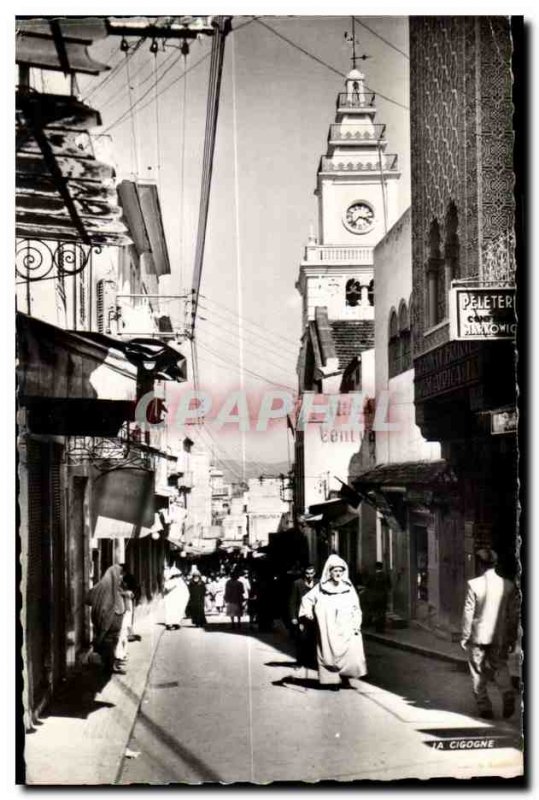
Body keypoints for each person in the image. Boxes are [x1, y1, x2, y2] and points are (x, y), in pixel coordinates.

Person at [460, 548, 519, 719]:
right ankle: (507, 692)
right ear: (495, 564)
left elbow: (468, 613)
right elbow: (513, 616)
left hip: (478, 636)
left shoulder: (474, 584)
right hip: (499, 636)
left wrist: (465, 636)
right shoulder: (508, 586)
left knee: (477, 671)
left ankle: (484, 706)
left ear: (480, 564)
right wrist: (512, 638)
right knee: (500, 665)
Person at [299, 554, 366, 690]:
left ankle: (345, 677)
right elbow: (307, 599)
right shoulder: (321, 587)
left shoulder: (348, 587)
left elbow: (356, 607)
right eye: (335, 571)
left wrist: (356, 624)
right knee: (328, 653)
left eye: (340, 571)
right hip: (327, 627)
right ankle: (332, 681)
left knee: (350, 651)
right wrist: (308, 612)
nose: (338, 573)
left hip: (346, 625)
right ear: (329, 572)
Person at [85, 564, 126, 675]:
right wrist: (102, 633)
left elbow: (88, 598)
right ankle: (107, 669)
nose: (121, 577)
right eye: (120, 574)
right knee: (107, 651)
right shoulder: (107, 590)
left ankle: (109, 666)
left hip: (111, 631)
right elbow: (106, 614)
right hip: (107, 631)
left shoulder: (108, 587)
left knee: (109, 650)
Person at [289, 565, 317, 668]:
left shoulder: (318, 583)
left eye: (311, 573)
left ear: (314, 573)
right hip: (301, 615)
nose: (309, 576)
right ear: (304, 573)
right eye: (307, 573)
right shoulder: (297, 583)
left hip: (314, 616)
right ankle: (300, 661)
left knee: (314, 638)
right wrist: (293, 617)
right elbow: (292, 601)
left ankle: (312, 661)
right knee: (301, 638)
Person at [366, 562, 391, 632]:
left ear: (375, 568)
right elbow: (389, 586)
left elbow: (367, 585)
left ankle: (377, 627)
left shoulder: (372, 576)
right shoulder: (386, 575)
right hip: (383, 597)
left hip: (374, 597)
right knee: (382, 612)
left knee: (376, 612)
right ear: (382, 567)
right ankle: (381, 628)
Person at [164, 565, 190, 630]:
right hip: (175, 599)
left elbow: (167, 588)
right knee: (175, 611)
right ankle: (174, 623)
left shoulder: (174, 581)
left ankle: (172, 623)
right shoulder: (180, 581)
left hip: (174, 599)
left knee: (172, 611)